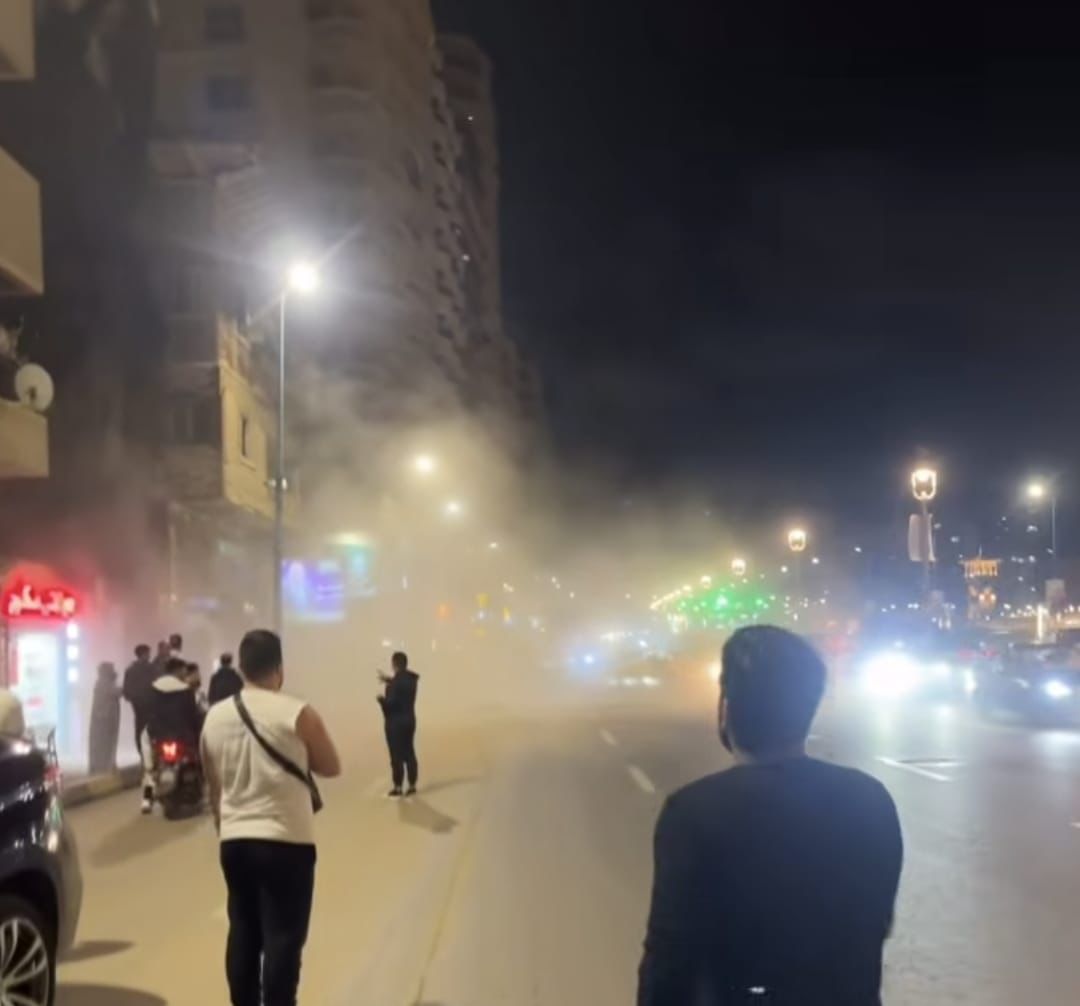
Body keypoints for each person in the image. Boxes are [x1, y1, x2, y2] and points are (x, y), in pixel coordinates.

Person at [638, 626, 903, 1006]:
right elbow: (876, 925)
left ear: (727, 709)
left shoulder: (694, 812)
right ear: (807, 710)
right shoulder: (870, 800)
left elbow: (670, 958)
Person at [201, 629, 341, 1006]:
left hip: (234, 842)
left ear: (242, 668)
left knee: (243, 932)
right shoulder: (297, 713)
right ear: (279, 669)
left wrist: (225, 826)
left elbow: (213, 785)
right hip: (286, 842)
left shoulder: (214, 718)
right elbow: (331, 765)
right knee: (283, 939)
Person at [140, 656, 205, 814]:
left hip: (158, 735)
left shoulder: (152, 688)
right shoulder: (186, 690)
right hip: (182, 735)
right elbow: (192, 716)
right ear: (177, 670)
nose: (184, 673)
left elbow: (147, 712)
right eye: (183, 670)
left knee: (149, 767)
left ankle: (146, 800)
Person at [377, 651, 419, 797]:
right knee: (409, 752)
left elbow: (391, 704)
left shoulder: (394, 685)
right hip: (410, 720)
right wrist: (389, 680)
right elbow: (402, 686)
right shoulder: (412, 680)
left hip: (395, 724)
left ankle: (398, 786)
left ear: (394, 664)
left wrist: (381, 700)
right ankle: (412, 785)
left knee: (396, 755)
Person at [122, 644, 156, 758]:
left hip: (138, 705)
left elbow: (126, 690)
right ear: (143, 654)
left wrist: (133, 698)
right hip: (150, 704)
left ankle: (142, 752)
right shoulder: (151, 669)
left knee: (140, 728)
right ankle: (149, 752)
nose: (149, 656)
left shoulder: (131, 669)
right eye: (148, 653)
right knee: (150, 728)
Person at [88, 661, 121, 775]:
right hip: (103, 721)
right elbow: (116, 692)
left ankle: (108, 764)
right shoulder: (103, 683)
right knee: (103, 745)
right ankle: (102, 766)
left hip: (108, 720)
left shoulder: (105, 682)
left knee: (109, 744)